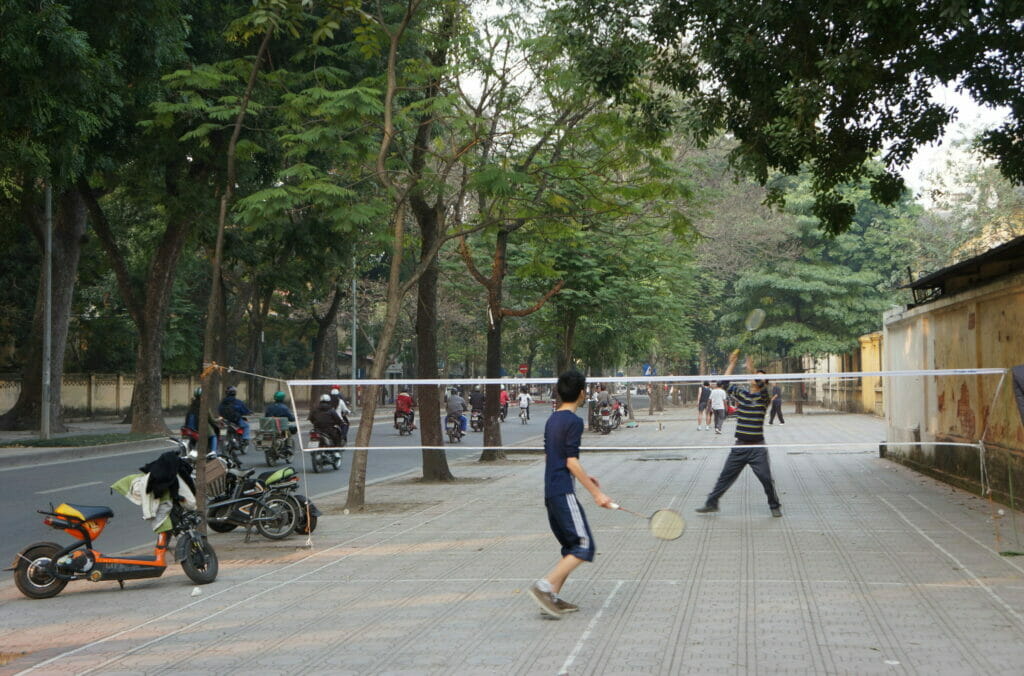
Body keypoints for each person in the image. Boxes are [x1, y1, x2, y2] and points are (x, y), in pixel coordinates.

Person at [529, 370, 614, 618]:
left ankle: (551, 600)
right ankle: (543, 587)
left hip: (551, 492)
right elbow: (570, 461)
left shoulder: (553, 419)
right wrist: (597, 493)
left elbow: (552, 456)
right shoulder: (574, 422)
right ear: (581, 393)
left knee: (570, 546)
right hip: (562, 492)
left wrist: (585, 478)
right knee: (583, 545)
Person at [696, 353, 781, 517]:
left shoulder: (764, 397)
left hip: (757, 447)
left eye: (761, 378)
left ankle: (774, 505)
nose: (757, 379)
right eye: (756, 377)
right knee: (724, 477)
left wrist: (751, 369)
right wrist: (732, 364)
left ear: (765, 382)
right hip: (740, 446)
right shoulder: (743, 394)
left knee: (766, 479)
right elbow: (722, 383)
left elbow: (760, 384)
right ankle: (711, 503)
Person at [184, 386, 218, 452]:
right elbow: (211, 419)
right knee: (213, 436)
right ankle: (213, 453)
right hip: (201, 429)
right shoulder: (205, 406)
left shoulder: (192, 405)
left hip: (190, 428)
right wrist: (218, 419)